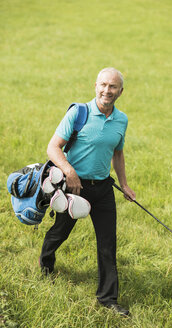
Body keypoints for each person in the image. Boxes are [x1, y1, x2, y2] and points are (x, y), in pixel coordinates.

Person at [39, 67, 136, 316]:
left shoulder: (121, 120)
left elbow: (118, 152)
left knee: (107, 243)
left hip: (103, 188)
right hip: (74, 187)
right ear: (95, 86)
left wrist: (124, 184)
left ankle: (108, 298)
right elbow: (53, 147)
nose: (107, 90)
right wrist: (70, 173)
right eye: (103, 85)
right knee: (60, 232)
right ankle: (46, 264)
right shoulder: (78, 113)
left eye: (113, 86)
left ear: (120, 92)